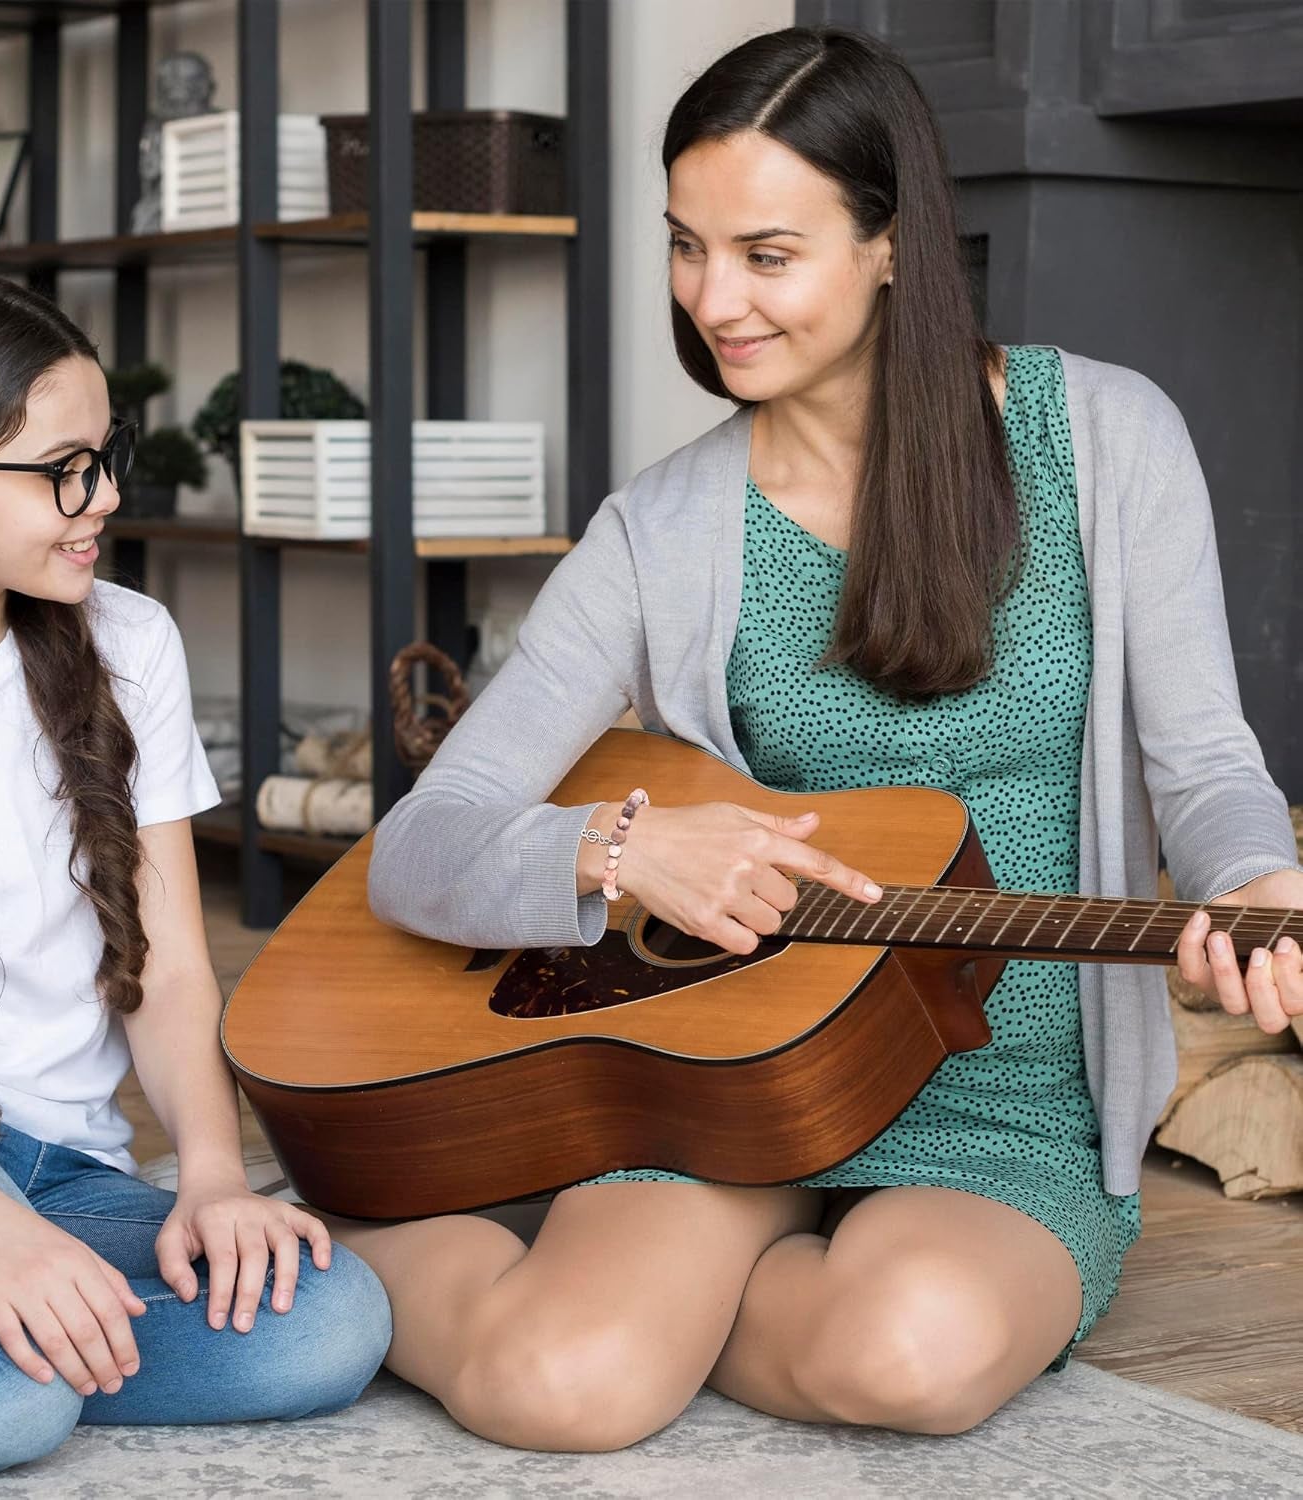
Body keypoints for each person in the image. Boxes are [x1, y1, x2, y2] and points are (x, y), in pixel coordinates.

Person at [352, 26, 1302, 1452]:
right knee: (558, 1391)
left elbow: (1210, 766)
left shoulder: (1106, 439)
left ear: (892, 245)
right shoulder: (661, 528)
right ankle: (340, 1238)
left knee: (908, 1356)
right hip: (726, 1084)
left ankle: (613, 1273)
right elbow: (418, 846)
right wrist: (622, 849)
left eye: (765, 254)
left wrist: (1254, 880)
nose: (712, 300)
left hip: (1010, 1096)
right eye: (687, 246)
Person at [0, 268, 390, 1472]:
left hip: (62, 1163)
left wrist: (218, 1180)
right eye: (63, 468)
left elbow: (172, 976)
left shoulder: (129, 642)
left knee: (329, 1326)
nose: (105, 494)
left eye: (105, 451)